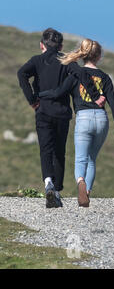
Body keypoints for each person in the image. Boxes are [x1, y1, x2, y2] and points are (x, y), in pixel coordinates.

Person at [17, 28, 104, 208]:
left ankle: (48, 182)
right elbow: (82, 74)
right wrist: (95, 96)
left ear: (42, 45)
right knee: (59, 151)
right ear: (61, 46)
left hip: (42, 111)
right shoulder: (67, 60)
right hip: (62, 114)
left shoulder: (36, 60)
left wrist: (32, 99)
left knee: (45, 149)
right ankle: (56, 190)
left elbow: (21, 74)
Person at [38, 39, 114, 207]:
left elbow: (57, 93)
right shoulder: (105, 78)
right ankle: (86, 193)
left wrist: (40, 95)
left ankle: (80, 182)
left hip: (83, 118)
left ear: (83, 54)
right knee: (91, 159)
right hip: (101, 119)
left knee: (80, 159)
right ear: (99, 57)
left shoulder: (75, 75)